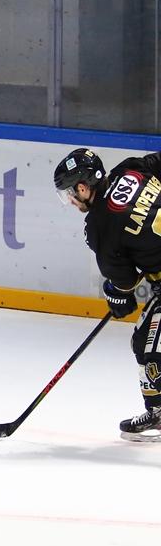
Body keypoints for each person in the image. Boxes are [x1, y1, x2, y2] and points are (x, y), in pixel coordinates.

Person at [55, 147, 161, 441]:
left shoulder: (99, 226)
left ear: (82, 187)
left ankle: (159, 413)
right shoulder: (130, 169)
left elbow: (125, 283)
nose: (71, 201)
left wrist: (115, 293)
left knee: (148, 346)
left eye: (69, 193)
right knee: (146, 338)